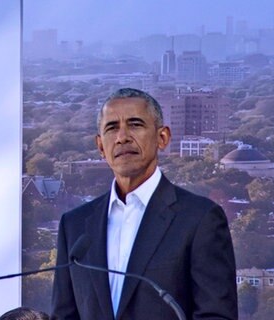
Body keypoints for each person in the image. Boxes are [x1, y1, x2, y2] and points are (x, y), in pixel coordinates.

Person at [51, 88, 237, 319]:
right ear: (100, 146)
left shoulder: (200, 218)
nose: (122, 137)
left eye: (135, 124)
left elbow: (216, 315)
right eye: (112, 128)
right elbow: (64, 314)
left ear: (163, 137)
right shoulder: (75, 225)